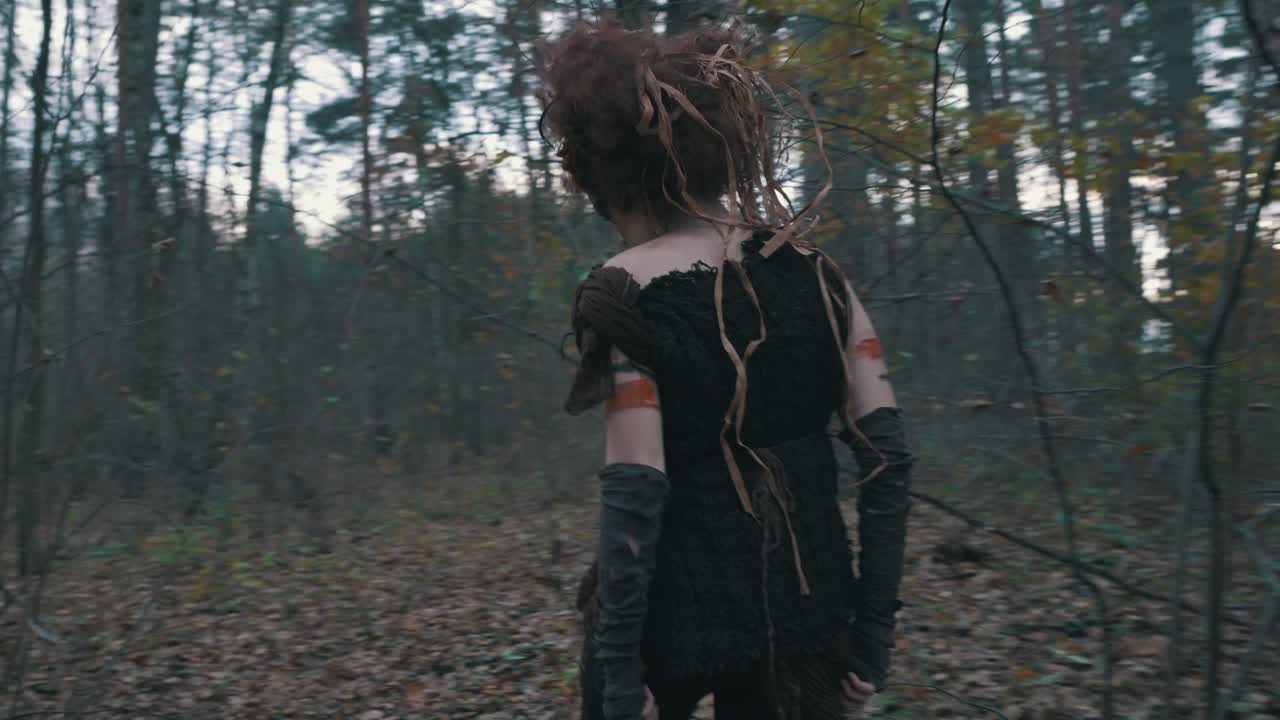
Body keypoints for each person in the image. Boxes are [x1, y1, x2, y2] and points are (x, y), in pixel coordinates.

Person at [538, 17, 913, 720]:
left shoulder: (622, 291)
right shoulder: (821, 275)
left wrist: (617, 672)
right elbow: (887, 459)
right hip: (809, 619)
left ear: (614, 179)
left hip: (672, 625)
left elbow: (635, 488)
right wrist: (870, 637)